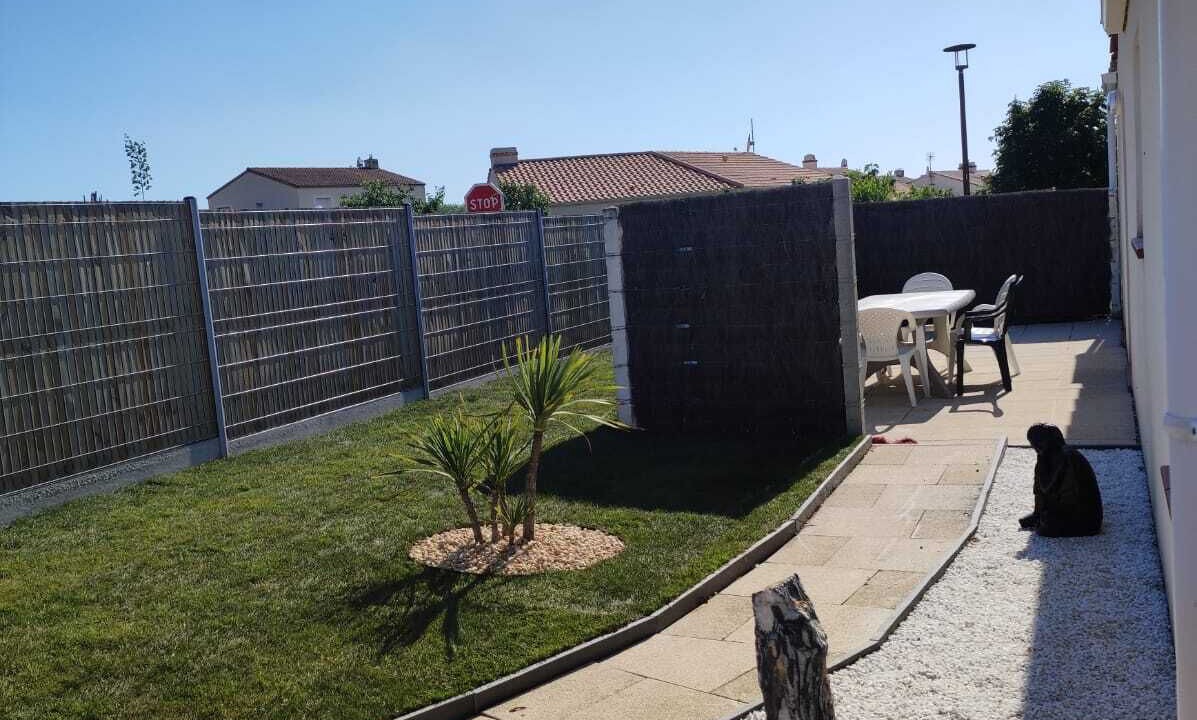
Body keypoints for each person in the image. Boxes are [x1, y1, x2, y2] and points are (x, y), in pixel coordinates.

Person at [1019, 423, 1103, 537]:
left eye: (1038, 444)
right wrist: (1039, 512)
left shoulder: (1066, 458)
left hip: (1080, 514)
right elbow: (1040, 488)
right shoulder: (1047, 456)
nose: (1036, 448)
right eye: (1033, 444)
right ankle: (1038, 514)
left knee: (1048, 525)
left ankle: (1044, 517)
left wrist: (1050, 513)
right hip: (1061, 506)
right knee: (1043, 520)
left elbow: (1063, 493)